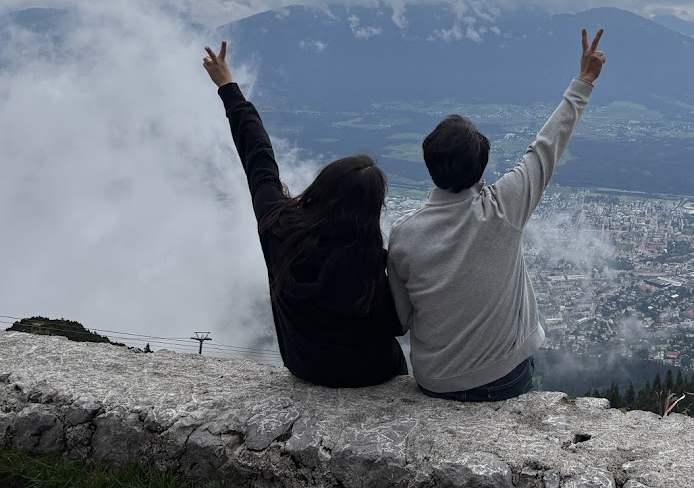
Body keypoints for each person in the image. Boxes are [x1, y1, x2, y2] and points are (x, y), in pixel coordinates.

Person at [387, 28, 607, 401]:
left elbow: (401, 318)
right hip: (504, 377)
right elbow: (545, 148)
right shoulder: (503, 206)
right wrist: (583, 80)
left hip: (434, 380)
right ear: (482, 165)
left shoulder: (403, 233)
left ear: (429, 165)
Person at [202, 41, 407, 387]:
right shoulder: (369, 259)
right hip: (372, 375)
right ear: (370, 212)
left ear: (321, 188)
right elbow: (397, 325)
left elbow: (259, 159)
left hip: (305, 367)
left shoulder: (277, 228)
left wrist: (228, 87)